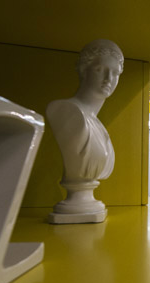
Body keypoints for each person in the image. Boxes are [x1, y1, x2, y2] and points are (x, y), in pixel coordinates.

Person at [47, 39, 124, 223]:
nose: (108, 78)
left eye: (115, 73)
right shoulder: (67, 112)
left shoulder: (97, 125)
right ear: (83, 70)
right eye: (99, 69)